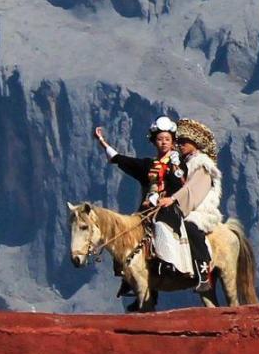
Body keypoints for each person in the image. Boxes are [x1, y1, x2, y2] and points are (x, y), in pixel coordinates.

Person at [91, 116, 183, 301]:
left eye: (167, 139)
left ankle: (168, 265)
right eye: (160, 139)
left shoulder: (178, 165)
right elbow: (120, 159)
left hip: (168, 209)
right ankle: (127, 275)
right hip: (146, 210)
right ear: (154, 141)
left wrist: (175, 175)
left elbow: (183, 185)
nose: (163, 143)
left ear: (172, 142)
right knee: (126, 233)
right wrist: (102, 142)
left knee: (161, 228)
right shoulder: (147, 165)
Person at [167, 119, 224, 296]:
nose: (180, 145)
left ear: (195, 143)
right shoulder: (182, 164)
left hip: (200, 211)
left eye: (184, 141)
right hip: (182, 207)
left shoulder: (202, 165)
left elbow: (192, 191)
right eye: (179, 141)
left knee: (190, 226)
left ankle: (203, 270)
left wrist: (173, 200)